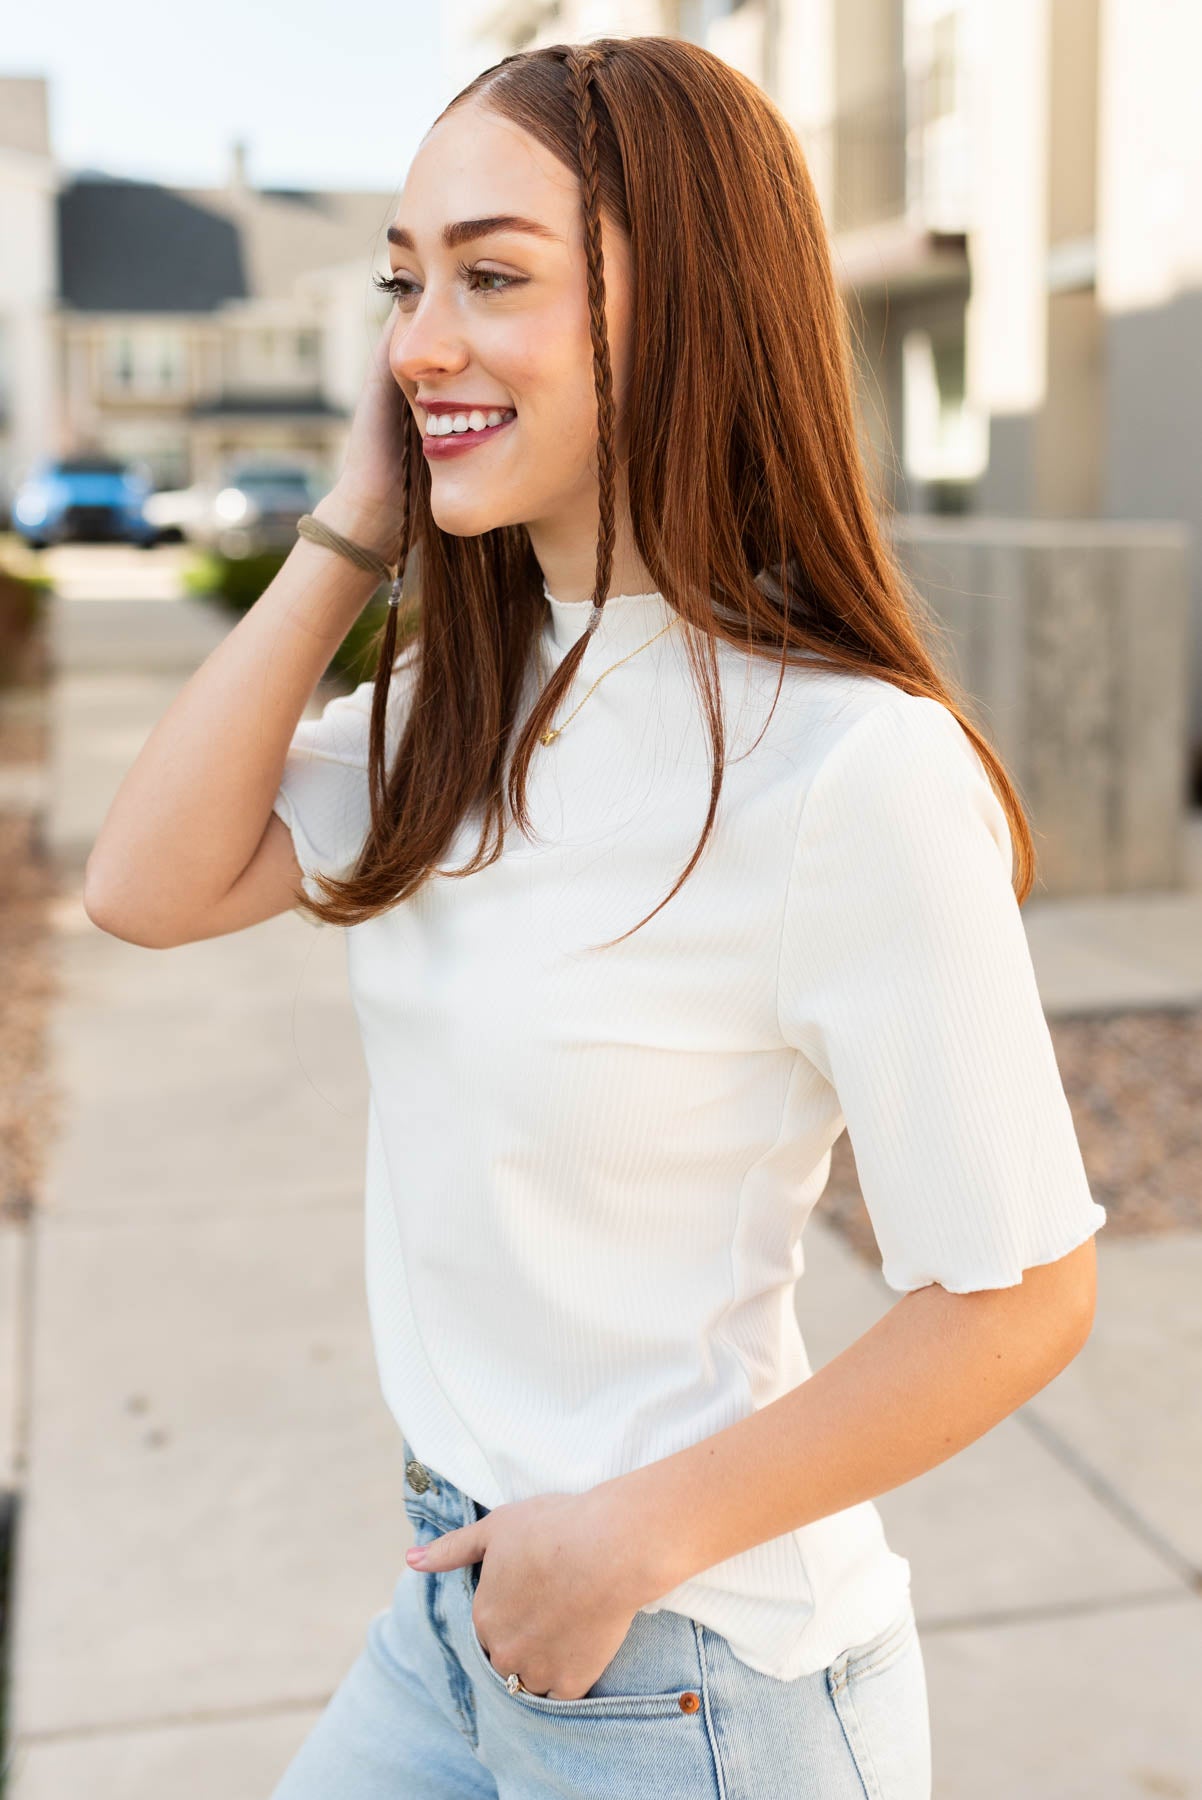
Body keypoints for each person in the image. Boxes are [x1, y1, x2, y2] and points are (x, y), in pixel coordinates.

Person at [85, 36, 1107, 1800]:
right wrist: (353, 528)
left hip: (692, 1669)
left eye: (493, 277)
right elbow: (145, 889)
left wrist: (619, 1546)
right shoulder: (467, 697)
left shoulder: (848, 768)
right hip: (453, 1605)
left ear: (690, 306)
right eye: (406, 283)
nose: (417, 341)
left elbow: (1017, 1298)